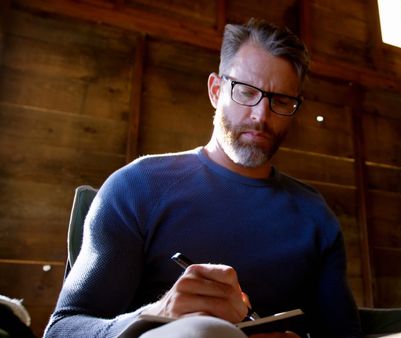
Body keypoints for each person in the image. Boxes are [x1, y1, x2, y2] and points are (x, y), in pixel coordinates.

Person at [44, 18, 362, 338]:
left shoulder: (314, 216)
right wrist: (155, 315)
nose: (260, 115)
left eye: (280, 101)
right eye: (246, 92)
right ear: (215, 90)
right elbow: (62, 329)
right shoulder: (136, 187)